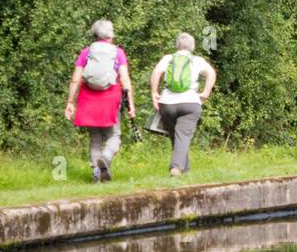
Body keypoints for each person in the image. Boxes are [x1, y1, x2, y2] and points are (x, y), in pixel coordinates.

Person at [66, 19, 135, 183]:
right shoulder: (118, 52)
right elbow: (125, 79)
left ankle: (97, 174)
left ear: (95, 34)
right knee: (114, 136)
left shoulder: (86, 52)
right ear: (110, 34)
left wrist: (70, 102)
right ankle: (105, 158)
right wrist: (131, 104)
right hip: (110, 99)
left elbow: (76, 79)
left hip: (88, 98)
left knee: (95, 137)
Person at [150, 33, 217, 177]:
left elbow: (156, 73)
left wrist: (154, 92)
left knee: (177, 138)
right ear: (192, 47)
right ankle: (176, 168)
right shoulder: (197, 60)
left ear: (177, 46)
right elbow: (211, 73)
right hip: (190, 103)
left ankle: (185, 172)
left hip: (167, 104)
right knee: (183, 137)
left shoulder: (168, 58)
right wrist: (205, 92)